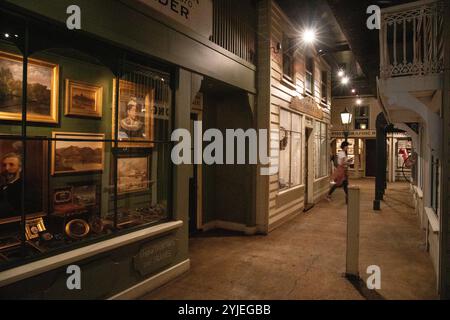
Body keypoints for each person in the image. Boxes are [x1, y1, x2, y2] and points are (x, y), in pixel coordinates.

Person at [0, 152, 23, 217]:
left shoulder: (25, 188)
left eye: (11, 165)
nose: (7, 168)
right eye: (4, 165)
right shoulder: (2, 186)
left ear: (20, 168)